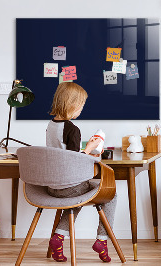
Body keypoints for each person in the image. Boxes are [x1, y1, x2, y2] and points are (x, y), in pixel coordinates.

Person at [46, 82, 116, 263]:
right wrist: (91, 148)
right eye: (81, 105)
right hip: (69, 186)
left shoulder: (51, 125)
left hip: (52, 186)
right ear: (73, 105)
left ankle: (58, 238)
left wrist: (85, 149)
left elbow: (63, 154)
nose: (81, 109)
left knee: (76, 197)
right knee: (111, 194)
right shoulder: (72, 129)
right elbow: (73, 161)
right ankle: (102, 240)